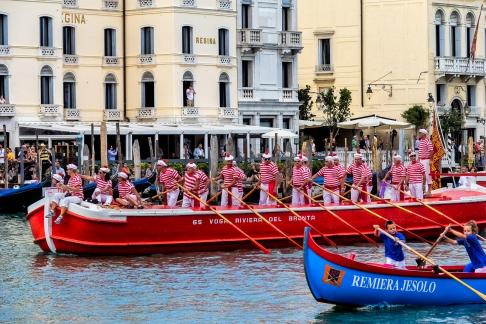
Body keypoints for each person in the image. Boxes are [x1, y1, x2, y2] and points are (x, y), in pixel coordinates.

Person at [418, 129, 433, 196]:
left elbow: (431, 151)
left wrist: (430, 160)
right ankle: (423, 190)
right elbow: (420, 151)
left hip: (426, 160)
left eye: (420, 133)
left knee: (427, 175)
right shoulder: (421, 141)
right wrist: (418, 159)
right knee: (421, 175)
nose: (419, 134)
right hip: (421, 160)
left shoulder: (428, 141)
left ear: (424, 134)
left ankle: (429, 191)